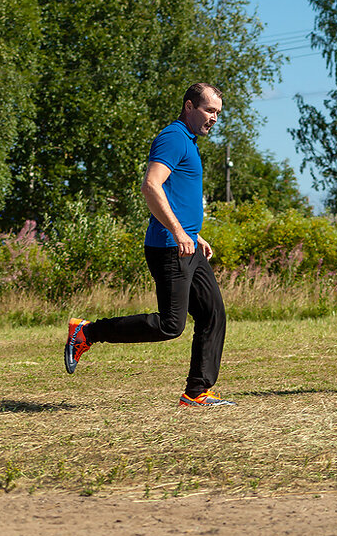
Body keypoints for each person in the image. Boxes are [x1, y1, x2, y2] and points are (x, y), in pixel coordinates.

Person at [64, 83, 235, 407]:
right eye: (209, 110)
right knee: (171, 325)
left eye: (217, 113)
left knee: (213, 314)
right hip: (170, 248)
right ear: (189, 106)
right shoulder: (173, 138)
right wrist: (179, 233)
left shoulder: (189, 142)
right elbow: (151, 186)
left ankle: (197, 392)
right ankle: (86, 332)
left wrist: (193, 234)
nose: (214, 118)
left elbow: (174, 196)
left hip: (187, 246)